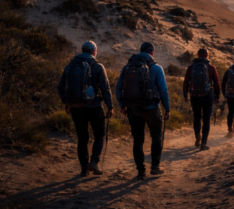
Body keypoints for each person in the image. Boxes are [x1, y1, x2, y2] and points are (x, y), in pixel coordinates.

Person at [115, 42, 171, 180]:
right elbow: (163, 91)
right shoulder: (157, 68)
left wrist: (122, 105)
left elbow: (118, 89)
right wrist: (167, 108)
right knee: (156, 136)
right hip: (152, 109)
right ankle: (155, 167)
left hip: (133, 109)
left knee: (138, 140)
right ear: (152, 52)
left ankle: (141, 171)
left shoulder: (127, 67)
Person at [57, 41, 113, 177]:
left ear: (82, 51)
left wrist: (67, 102)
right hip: (94, 107)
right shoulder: (98, 66)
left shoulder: (70, 66)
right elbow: (105, 89)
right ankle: (94, 162)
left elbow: (60, 87)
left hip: (76, 108)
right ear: (94, 51)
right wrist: (110, 106)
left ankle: (83, 169)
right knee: (99, 135)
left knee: (82, 138)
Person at [182, 48, 221, 151]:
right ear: (207, 55)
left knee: (197, 118)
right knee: (206, 119)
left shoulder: (191, 67)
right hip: (208, 95)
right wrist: (217, 96)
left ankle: (197, 137)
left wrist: (185, 94)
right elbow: (217, 83)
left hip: (195, 96)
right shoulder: (211, 68)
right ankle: (204, 143)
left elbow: (186, 81)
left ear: (198, 55)